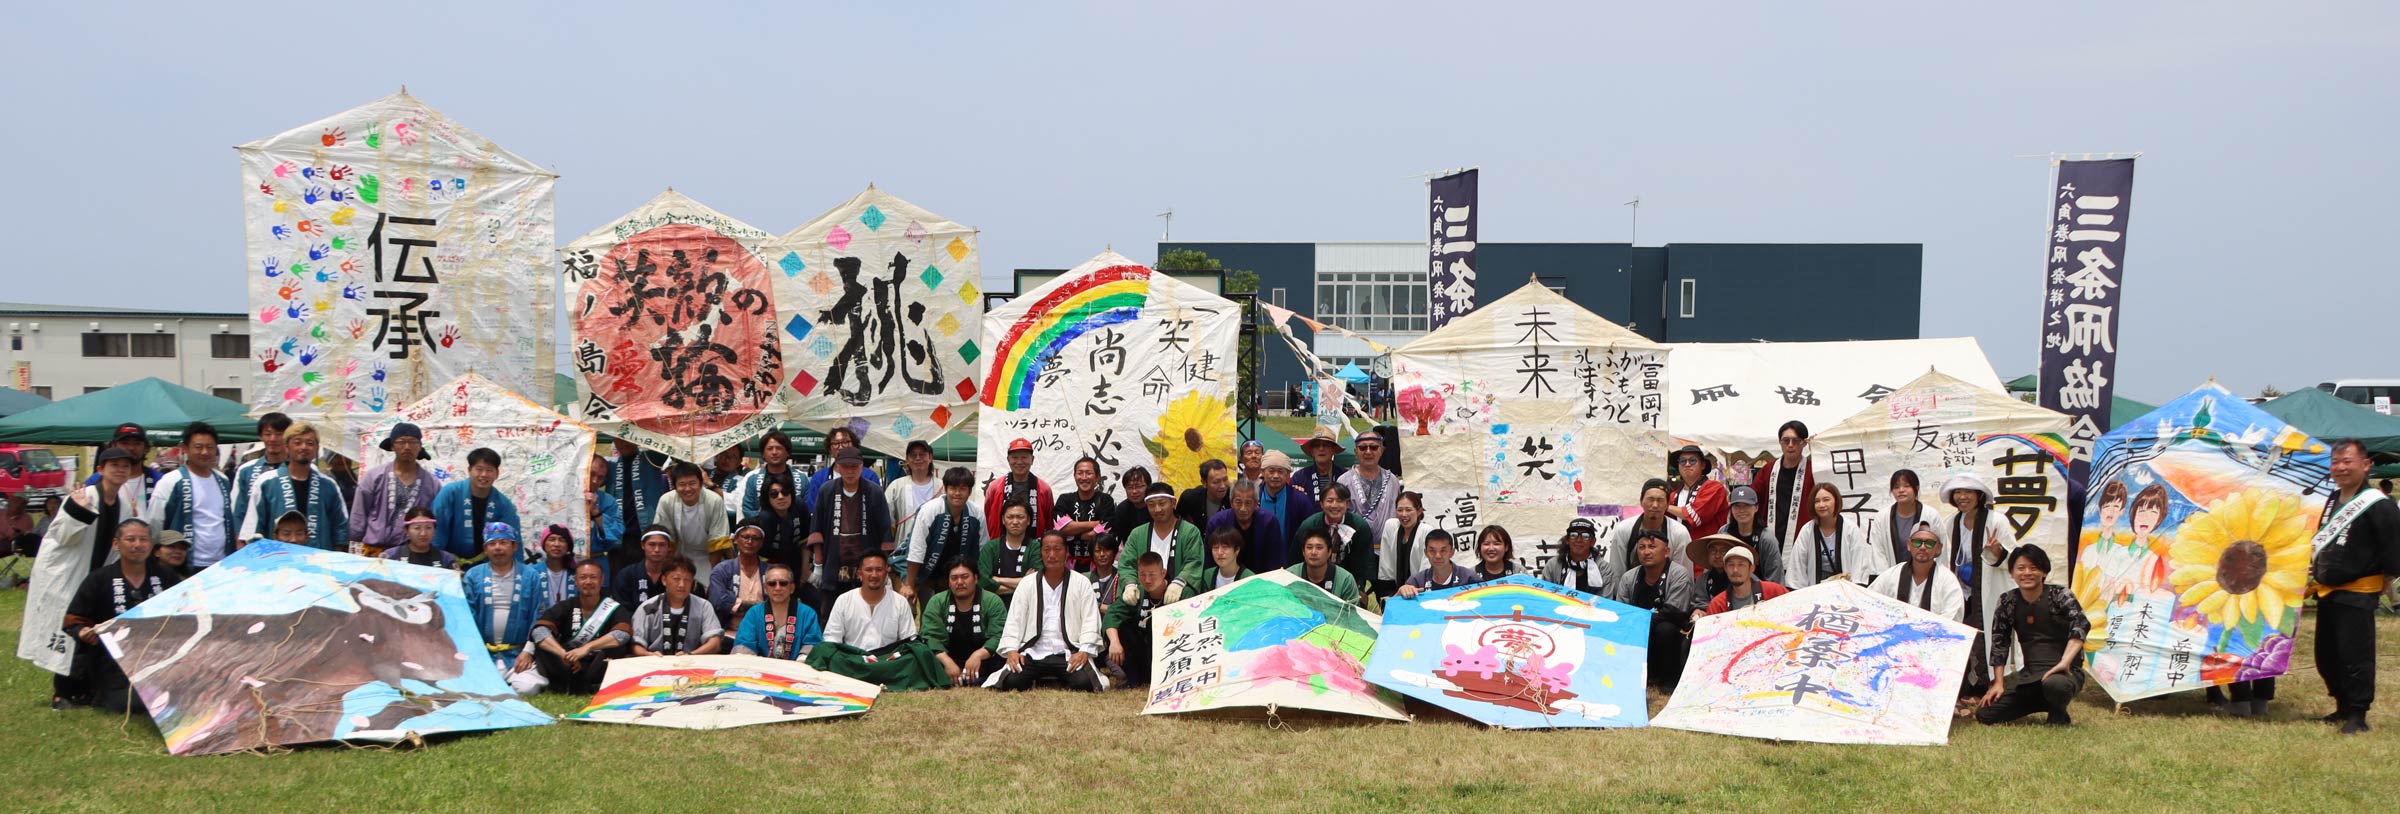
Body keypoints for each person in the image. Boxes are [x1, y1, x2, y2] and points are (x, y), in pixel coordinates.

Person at [2310, 439, 2400, 734]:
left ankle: (2358, 714)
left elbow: (2393, 547)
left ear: (2365, 464)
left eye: (2347, 461)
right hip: (2328, 590)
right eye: (2336, 462)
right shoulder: (2333, 499)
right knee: (2327, 654)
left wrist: (2387, 581)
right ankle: (2342, 705)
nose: (2340, 468)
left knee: (2355, 655)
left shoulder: (2379, 504)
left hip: (2358, 591)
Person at [60, 519, 178, 712]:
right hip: (114, 660)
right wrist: (83, 632)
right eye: (130, 539)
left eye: (143, 539)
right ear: (116, 544)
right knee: (129, 702)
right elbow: (73, 619)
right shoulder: (99, 579)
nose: (138, 545)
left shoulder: (165, 577)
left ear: (151, 545)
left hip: (159, 655)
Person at [1977, 545, 2088, 726]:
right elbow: (2000, 642)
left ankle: (2057, 713)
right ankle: (2044, 701)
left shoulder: (2060, 595)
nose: (2027, 573)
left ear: (2044, 571)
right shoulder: (2007, 601)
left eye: (2033, 568)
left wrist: (2064, 663)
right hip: (2030, 674)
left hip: (2065, 671)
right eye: (2021, 568)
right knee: (1985, 713)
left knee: (2056, 685)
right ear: (2012, 573)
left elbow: (2081, 624)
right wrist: (1998, 682)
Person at [993, 534, 1105, 692]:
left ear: (1067, 552)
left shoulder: (1081, 582)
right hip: (1033, 651)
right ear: (1041, 553)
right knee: (1012, 681)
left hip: (1067, 651)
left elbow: (1090, 620)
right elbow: (1014, 620)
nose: (1052, 555)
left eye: (1057, 549)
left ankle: (1058, 679)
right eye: (1047, 550)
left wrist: (1084, 651)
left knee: (1084, 683)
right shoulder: (1027, 583)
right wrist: (1012, 650)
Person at [1942, 472, 2012, 694]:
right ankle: (1965, 685)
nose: (1962, 497)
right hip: (1963, 589)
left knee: (1988, 633)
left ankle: (1986, 684)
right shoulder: (1952, 522)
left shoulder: (1996, 521)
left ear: (1979, 495)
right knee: (1963, 633)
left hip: (1989, 587)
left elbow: (2013, 558)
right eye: (1958, 492)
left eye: (1968, 492)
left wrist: (1997, 552)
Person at [519, 561, 631, 694]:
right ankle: (562, 684)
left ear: (602, 580)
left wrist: (587, 647)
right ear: (576, 581)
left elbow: (623, 634)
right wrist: (563, 654)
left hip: (597, 661)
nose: (588, 581)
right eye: (583, 577)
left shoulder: (614, 608)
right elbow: (539, 631)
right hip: (567, 662)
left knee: (618, 647)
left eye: (593, 577)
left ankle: (593, 684)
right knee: (543, 643)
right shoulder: (566, 606)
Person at [1609, 529, 1695, 690]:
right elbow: (1622, 612)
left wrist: (1640, 619)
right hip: (1637, 626)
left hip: (1670, 629)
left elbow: (1675, 612)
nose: (1646, 552)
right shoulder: (1628, 578)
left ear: (1666, 551)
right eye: (1642, 547)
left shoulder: (1679, 574)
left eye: (1652, 547)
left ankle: (1669, 680)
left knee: (1665, 629)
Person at [241, 420, 347, 551]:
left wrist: (337, 554)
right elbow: (253, 527)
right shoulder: (266, 482)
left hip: (319, 558)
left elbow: (340, 527)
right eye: (297, 443)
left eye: (310, 443)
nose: (304, 447)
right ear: (286, 447)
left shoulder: (328, 485)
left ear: (316, 449)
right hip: (277, 557)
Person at [809, 447, 892, 600]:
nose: (850, 471)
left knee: (866, 606)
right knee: (831, 608)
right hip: (834, 559)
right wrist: (818, 565)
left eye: (854, 466)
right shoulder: (827, 490)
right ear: (838, 467)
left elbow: (885, 531)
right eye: (846, 466)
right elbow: (817, 529)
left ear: (862, 467)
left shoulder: (874, 491)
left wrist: (884, 566)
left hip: (866, 562)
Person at [463, 522, 549, 670]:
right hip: (482, 654)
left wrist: (528, 651)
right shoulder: (473, 576)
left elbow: (538, 616)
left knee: (532, 683)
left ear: (514, 546)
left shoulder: (530, 575)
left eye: (503, 542)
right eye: (492, 543)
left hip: (518, 654)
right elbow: (466, 616)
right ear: (485, 549)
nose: (498, 548)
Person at [148, 421, 233, 569]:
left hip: (221, 564)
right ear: (185, 448)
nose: (204, 452)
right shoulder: (171, 481)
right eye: (198, 447)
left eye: (210, 447)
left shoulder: (223, 480)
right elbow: (155, 522)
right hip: (184, 564)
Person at [899, 467, 984, 599]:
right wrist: (909, 585)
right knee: (910, 599)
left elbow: (982, 548)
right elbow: (916, 548)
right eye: (953, 488)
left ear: (970, 492)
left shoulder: (977, 513)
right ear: (945, 489)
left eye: (962, 489)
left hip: (950, 572)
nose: (957, 493)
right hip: (919, 568)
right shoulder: (930, 510)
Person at [1784, 482, 1888, 588]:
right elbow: (1798, 565)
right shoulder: (1807, 530)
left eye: (1826, 500)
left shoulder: (1850, 529)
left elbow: (1859, 563)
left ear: (1836, 501)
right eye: (1817, 501)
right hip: (1815, 588)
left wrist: (1855, 588)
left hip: (1845, 589)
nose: (1821, 505)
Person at [918, 561, 1004, 687]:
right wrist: (947, 662)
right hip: (947, 659)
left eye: (965, 577)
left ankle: (976, 678)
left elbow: (998, 635)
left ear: (975, 578)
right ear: (949, 582)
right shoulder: (937, 601)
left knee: (1003, 659)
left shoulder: (992, 601)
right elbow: (931, 636)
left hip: (984, 659)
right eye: (954, 578)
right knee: (921, 656)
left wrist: (978, 655)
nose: (959, 582)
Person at [431, 447, 518, 560]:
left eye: (489, 470)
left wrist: (514, 567)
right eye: (479, 469)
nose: (484, 474)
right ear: (469, 470)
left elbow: (512, 540)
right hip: (448, 561)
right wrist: (436, 560)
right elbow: (437, 531)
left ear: (497, 474)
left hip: (487, 564)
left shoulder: (503, 504)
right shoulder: (450, 493)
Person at [1868, 523, 1966, 623]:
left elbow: (1952, 618)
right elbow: (1868, 601)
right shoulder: (1892, 575)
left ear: (1939, 548)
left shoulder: (1947, 580)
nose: (1922, 547)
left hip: (1933, 632)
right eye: (1917, 542)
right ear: (1909, 545)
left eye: (1929, 543)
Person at [820, 551, 918, 650]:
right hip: (852, 657)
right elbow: (831, 639)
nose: (874, 575)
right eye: (869, 570)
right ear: (860, 574)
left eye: (879, 570)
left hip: (888, 658)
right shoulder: (844, 601)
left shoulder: (900, 602)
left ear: (886, 572)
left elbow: (910, 640)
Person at [1120, 483, 1202, 600]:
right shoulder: (1137, 534)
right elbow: (1126, 564)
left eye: (1162, 503)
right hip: (1144, 595)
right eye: (1151, 505)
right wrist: (1130, 584)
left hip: (1178, 595)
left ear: (1173, 503)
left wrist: (1179, 582)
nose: (1157, 509)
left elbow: (1194, 562)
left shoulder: (1189, 532)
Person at [629, 558, 725, 656]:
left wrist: (691, 654)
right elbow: (636, 645)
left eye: (687, 580)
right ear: (664, 580)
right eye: (676, 579)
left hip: (692, 660)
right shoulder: (648, 607)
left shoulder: (703, 606)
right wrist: (649, 655)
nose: (682, 585)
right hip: (655, 661)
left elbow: (715, 643)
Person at [1748, 420, 1818, 554]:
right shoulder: (1768, 470)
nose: (1790, 445)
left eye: (1796, 441)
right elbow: (1752, 496)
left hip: (1804, 537)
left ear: (1804, 443)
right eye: (1786, 441)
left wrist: (1820, 452)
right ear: (1780, 442)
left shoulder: (1813, 470)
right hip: (1771, 533)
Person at [1105, 552, 1175, 686]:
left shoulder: (1176, 592)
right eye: (1142, 575)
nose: (1147, 580)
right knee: (1121, 629)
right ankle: (1134, 678)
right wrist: (1114, 642)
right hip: (1142, 652)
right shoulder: (1136, 592)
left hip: (1168, 651)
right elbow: (1112, 614)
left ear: (1163, 573)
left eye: (1152, 575)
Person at [730, 565, 823, 662]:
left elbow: (812, 643)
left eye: (783, 583)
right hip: (760, 667)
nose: (777, 588)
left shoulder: (807, 613)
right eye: (772, 584)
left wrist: (801, 661)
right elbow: (744, 644)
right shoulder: (754, 613)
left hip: (797, 667)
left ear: (792, 588)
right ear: (765, 588)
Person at [1293, 483, 1376, 589]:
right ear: (1321, 504)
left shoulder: (1359, 527)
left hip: (1349, 581)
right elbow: (1296, 558)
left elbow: (1364, 562)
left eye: (1340, 501)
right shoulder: (1309, 525)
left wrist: (1356, 587)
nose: (1334, 505)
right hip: (1312, 579)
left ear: (1348, 504)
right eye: (1330, 500)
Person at [653, 461, 728, 573]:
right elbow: (664, 537)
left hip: (708, 556)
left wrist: (715, 575)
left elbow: (717, 540)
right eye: (682, 484)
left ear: (701, 483)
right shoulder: (666, 501)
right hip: (679, 554)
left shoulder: (714, 500)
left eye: (692, 483)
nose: (687, 489)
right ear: (675, 486)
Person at [1606, 479, 1693, 575]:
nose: (1655, 505)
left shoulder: (1679, 533)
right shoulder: (1624, 529)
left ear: (1668, 504)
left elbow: (1683, 575)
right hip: (1630, 583)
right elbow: (1617, 571)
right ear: (1641, 501)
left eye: (1660, 500)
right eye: (1650, 499)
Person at [229, 412, 292, 545]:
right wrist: (240, 543)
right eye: (268, 434)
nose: (273, 439)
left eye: (279, 434)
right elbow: (237, 511)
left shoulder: (297, 469)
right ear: (261, 436)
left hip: (291, 542)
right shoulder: (246, 470)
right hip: (256, 543)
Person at [1206, 479, 1285, 576]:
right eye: (1238, 502)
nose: (1243, 508)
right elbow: (1209, 561)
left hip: (1262, 578)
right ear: (1231, 503)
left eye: (1248, 503)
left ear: (1256, 504)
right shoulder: (1217, 522)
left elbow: (1275, 560)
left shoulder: (1269, 522)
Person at [1053, 456, 1116, 572]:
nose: (1084, 477)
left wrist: (1073, 532)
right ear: (1074, 476)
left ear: (1097, 476)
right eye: (1080, 473)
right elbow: (1061, 527)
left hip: (1098, 565)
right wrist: (1095, 524)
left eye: (1089, 473)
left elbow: (1105, 530)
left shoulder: (1106, 500)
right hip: (1069, 564)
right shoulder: (1065, 500)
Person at [1872, 469, 1945, 566]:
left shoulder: (1931, 515)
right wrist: (1887, 574)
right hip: (1891, 573)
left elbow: (1940, 550)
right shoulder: (1882, 517)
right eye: (1896, 487)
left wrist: (1934, 573)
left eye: (1906, 486)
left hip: (1926, 572)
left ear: (1916, 488)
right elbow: (1878, 551)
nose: (1901, 490)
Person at [1377, 491, 1443, 597]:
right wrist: (1389, 594)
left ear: (1419, 511)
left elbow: (1426, 569)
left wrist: (1411, 588)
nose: (1404, 514)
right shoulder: (1391, 526)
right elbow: (1386, 563)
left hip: (1419, 589)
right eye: (1400, 510)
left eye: (1408, 510)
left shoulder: (1426, 531)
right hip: (1394, 589)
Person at [984, 438, 1057, 533]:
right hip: (1001, 540)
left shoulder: (1044, 489)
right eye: (1015, 457)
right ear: (1008, 460)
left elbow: (1049, 522)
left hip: (1034, 541)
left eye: (1024, 457)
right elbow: (988, 515)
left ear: (1032, 460)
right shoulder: (995, 487)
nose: (1019, 462)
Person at [708, 521, 773, 628]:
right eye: (745, 537)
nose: (750, 541)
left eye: (755, 538)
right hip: (729, 632)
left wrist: (736, 604)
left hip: (766, 631)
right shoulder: (722, 570)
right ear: (735, 539)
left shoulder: (771, 571)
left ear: (761, 543)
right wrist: (760, 607)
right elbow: (718, 602)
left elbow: (779, 604)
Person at [1696, 544, 1788, 617]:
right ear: (1725, 568)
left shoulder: (1774, 591)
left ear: (1751, 568)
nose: (1735, 570)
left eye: (1741, 565)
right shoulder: (1717, 604)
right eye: (1731, 565)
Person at [1338, 431, 1402, 535]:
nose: (1368, 452)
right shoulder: (1344, 481)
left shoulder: (1392, 480)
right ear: (1356, 451)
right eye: (1362, 448)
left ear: (1382, 450)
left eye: (1374, 447)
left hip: (1388, 542)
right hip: (1356, 543)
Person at [1716, 485, 1783, 584]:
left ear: (1756, 507)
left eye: (1746, 505)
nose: (1741, 510)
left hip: (1759, 590)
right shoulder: (1724, 532)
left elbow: (1775, 578)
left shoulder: (1766, 538)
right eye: (1737, 506)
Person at [606, 438, 670, 542]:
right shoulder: (609, 465)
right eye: (618, 439)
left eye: (626, 438)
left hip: (648, 532)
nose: (623, 443)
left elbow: (668, 442)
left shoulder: (651, 459)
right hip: (617, 534)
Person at [803, 426, 884, 506]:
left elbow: (877, 507)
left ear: (854, 445)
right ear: (830, 449)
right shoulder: (819, 477)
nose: (840, 447)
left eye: (845, 442)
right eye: (835, 443)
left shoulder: (869, 476)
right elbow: (813, 508)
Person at [882, 439, 945, 540]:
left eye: (922, 454)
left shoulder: (942, 487)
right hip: (906, 544)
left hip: (936, 543)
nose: (918, 458)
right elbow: (885, 518)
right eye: (913, 455)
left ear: (930, 458)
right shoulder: (896, 486)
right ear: (907, 460)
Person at [735, 430, 803, 522]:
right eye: (770, 448)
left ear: (787, 452)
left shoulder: (801, 478)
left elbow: (806, 508)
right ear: (763, 453)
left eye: (779, 448)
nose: (774, 452)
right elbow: (746, 510)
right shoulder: (751, 478)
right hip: (759, 528)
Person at [611, 527, 686, 610]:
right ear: (643, 545)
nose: (657, 550)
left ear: (668, 547)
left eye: (662, 545)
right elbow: (621, 609)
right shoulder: (627, 575)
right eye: (652, 544)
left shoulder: (676, 576)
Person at [1173, 527, 1255, 600]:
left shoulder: (1249, 578)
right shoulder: (1206, 576)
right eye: (1215, 548)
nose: (1219, 552)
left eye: (1225, 547)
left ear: (1237, 550)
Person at [978, 503, 1040, 599]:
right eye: (1010, 517)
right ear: (1003, 519)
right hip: (996, 603)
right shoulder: (991, 547)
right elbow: (984, 582)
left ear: (1028, 520)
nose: (1015, 522)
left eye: (1020, 517)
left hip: (1028, 602)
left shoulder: (1035, 547)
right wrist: (1024, 581)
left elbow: (1037, 581)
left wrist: (998, 579)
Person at [1287, 528, 1364, 604]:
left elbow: (1352, 610)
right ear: (1303, 552)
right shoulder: (1290, 575)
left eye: (1319, 548)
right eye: (1309, 547)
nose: (1313, 552)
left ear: (1329, 552)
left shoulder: (1345, 580)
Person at [1256, 451, 1319, 544]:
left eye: (1280, 471)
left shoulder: (1300, 500)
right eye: (1271, 471)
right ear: (1262, 472)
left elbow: (1312, 531)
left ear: (1288, 473)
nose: (1276, 476)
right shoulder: (1254, 498)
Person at [750, 479, 810, 578]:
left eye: (785, 492)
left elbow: (805, 541)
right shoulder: (765, 518)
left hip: (796, 558)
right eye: (774, 494)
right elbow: (762, 556)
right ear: (767, 498)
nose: (781, 497)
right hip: (770, 564)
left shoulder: (799, 505)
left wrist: (805, 570)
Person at [1667, 444, 1730, 538]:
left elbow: (1694, 515)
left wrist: (1664, 506)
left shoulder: (1715, 488)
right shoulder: (1673, 496)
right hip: (1679, 545)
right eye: (1682, 461)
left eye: (1692, 460)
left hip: (1707, 545)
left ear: (1703, 465)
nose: (1687, 464)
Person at [1541, 517, 1611, 595]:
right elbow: (1544, 596)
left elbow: (1606, 600)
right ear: (1567, 540)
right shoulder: (1552, 565)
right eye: (1573, 535)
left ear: (1593, 542)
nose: (1579, 540)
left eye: (1585, 536)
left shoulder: (1603, 568)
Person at [1397, 530, 1473, 598]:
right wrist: (1400, 592)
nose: (1438, 556)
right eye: (1432, 551)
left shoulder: (1468, 577)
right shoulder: (1417, 580)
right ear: (1426, 552)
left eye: (1443, 551)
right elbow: (1392, 604)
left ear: (1452, 552)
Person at [583, 455, 624, 576]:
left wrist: (596, 512)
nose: (595, 480)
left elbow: (616, 533)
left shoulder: (608, 501)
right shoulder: (564, 496)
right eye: (592, 474)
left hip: (596, 561)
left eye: (600, 477)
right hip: (567, 563)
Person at [381, 507, 456, 569]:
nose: (423, 533)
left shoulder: (446, 559)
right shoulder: (391, 556)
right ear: (406, 531)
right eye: (417, 528)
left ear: (434, 530)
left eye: (428, 528)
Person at [1107, 467, 1156, 552]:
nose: (1134, 491)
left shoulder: (1157, 508)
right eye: (1130, 487)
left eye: (1139, 486)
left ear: (1149, 486)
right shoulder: (1122, 510)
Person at [1174, 459, 1232, 530]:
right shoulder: (1190, 498)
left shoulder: (1234, 497)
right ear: (1204, 483)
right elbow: (1177, 524)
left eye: (1225, 479)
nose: (1223, 486)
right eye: (1216, 482)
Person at [1292, 427, 1347, 500]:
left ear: (1333, 450)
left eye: (1326, 445)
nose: (1321, 449)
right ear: (1312, 451)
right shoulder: (1300, 477)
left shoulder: (1344, 476)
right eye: (1317, 445)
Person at [537, 526, 580, 608]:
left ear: (568, 546)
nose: (556, 544)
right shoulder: (533, 572)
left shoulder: (576, 573)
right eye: (551, 539)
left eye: (562, 540)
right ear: (544, 544)